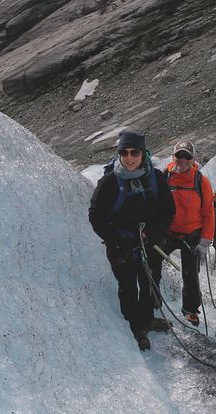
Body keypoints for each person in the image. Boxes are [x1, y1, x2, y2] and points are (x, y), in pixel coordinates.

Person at [88, 131, 176, 351]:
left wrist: (154, 234)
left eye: (134, 152)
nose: (129, 157)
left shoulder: (155, 178)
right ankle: (136, 327)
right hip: (122, 247)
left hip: (149, 243)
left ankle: (147, 319)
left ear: (143, 153)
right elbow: (95, 215)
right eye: (124, 153)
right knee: (128, 287)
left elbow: (168, 210)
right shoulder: (110, 181)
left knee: (149, 282)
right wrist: (116, 241)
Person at [159, 140, 215, 326]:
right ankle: (153, 298)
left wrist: (205, 241)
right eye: (179, 155)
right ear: (173, 156)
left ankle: (191, 309)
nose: (182, 159)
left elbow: (208, 212)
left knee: (190, 274)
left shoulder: (201, 181)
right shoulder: (165, 176)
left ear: (193, 160)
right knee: (152, 262)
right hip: (168, 233)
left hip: (191, 234)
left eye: (187, 156)